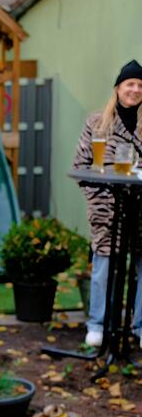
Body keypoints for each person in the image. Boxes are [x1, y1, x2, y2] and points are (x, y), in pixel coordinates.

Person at [74, 59, 142, 348]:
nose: (135, 89)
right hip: (107, 209)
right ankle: (98, 325)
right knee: (103, 268)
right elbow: (80, 166)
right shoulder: (96, 122)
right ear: (118, 88)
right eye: (130, 84)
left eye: (140, 85)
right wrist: (98, 202)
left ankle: (139, 327)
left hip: (140, 209)